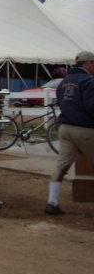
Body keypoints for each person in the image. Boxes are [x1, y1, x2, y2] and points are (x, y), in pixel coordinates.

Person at [45, 50, 94, 215]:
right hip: (86, 129)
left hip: (65, 128)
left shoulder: (65, 81)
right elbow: (91, 106)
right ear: (88, 63)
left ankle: (52, 201)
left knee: (61, 166)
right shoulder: (89, 81)